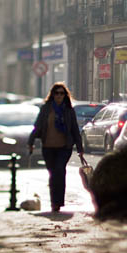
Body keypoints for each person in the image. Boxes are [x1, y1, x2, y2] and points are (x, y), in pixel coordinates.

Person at [28, 82, 85, 212]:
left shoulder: (69, 110)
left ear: (65, 95)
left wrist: (80, 149)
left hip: (64, 147)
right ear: (52, 95)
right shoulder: (46, 109)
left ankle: (58, 202)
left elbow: (75, 130)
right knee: (53, 174)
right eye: (56, 93)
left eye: (62, 93)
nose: (59, 96)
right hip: (48, 147)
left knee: (60, 171)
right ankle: (54, 202)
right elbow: (38, 126)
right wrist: (31, 142)